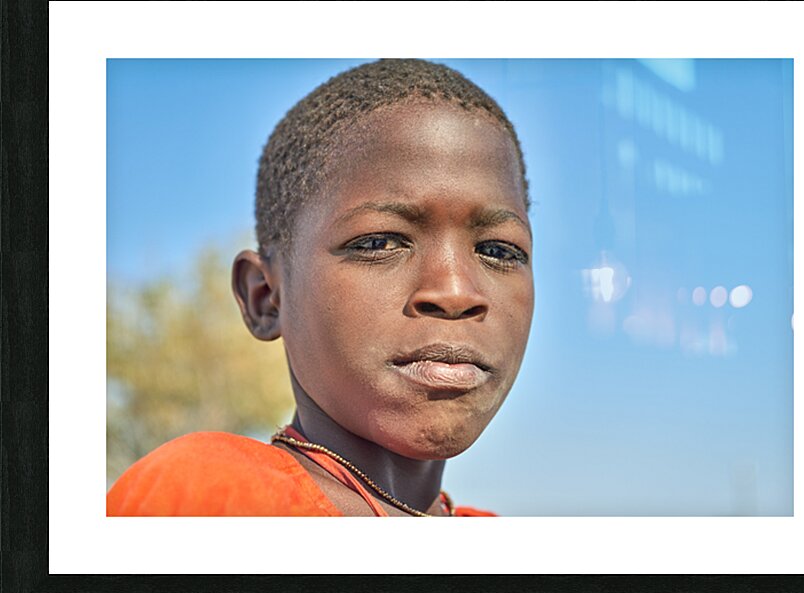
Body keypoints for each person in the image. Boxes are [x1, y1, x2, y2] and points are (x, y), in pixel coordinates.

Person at [106, 59, 534, 516]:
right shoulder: (207, 499)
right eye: (379, 242)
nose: (455, 293)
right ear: (265, 297)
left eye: (499, 251)